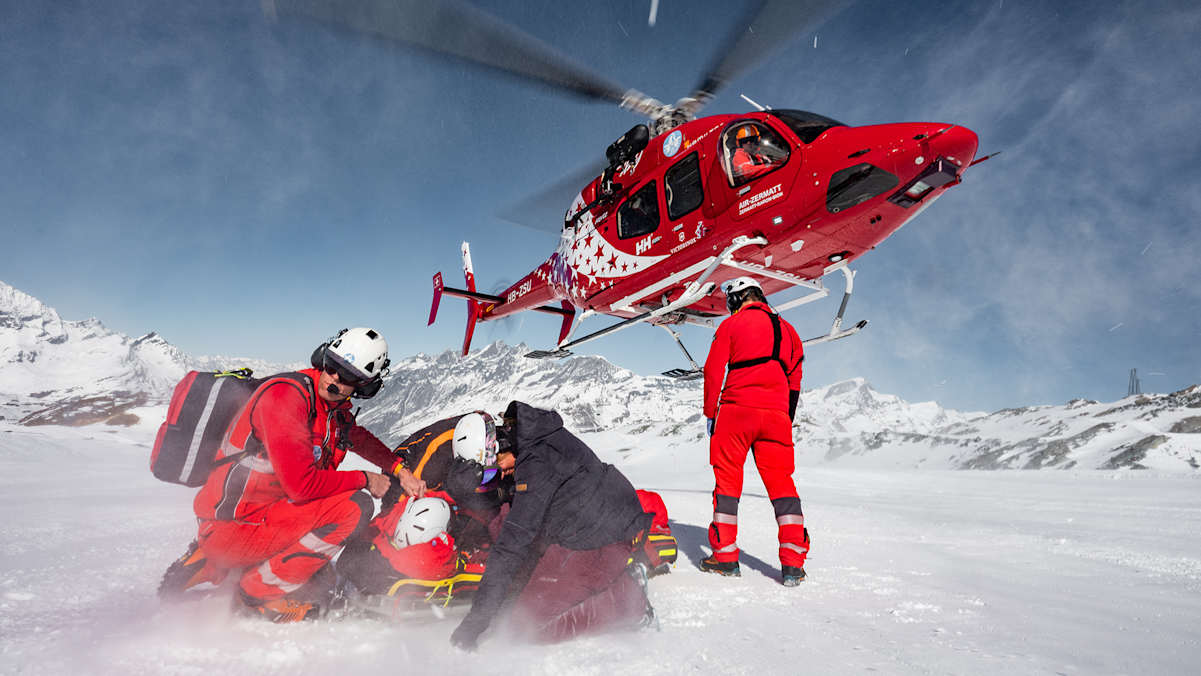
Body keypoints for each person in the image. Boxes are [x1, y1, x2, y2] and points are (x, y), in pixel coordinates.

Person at [162, 327, 427, 622]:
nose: (335, 378)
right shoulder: (287, 399)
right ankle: (257, 594)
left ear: (364, 386)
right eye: (331, 366)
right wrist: (366, 478)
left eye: (348, 375)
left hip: (251, 514)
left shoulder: (327, 407)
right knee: (355, 506)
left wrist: (399, 469)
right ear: (321, 359)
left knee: (320, 577)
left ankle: (212, 563)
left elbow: (356, 436)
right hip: (236, 523)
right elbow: (302, 486)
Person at [449, 401, 654, 650]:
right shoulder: (531, 441)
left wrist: (475, 623)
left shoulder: (537, 464)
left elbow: (510, 549)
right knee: (519, 605)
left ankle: (629, 601)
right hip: (581, 527)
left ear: (498, 447)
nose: (498, 475)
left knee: (529, 627)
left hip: (604, 538)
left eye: (492, 470)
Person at [702, 278, 810, 586]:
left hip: (736, 412)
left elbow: (713, 370)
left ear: (737, 298)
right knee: (783, 486)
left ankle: (725, 557)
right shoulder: (790, 332)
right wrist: (783, 418)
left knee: (727, 483)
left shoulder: (732, 325)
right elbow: (795, 380)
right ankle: (792, 564)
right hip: (776, 416)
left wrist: (711, 413)